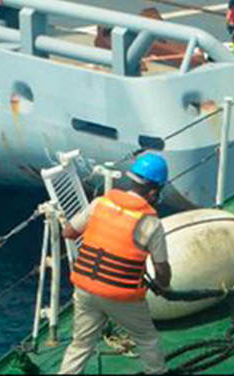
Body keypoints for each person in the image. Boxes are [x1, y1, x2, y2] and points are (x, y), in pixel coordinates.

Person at [58, 154, 172, 375]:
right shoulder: (151, 223)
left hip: (85, 289)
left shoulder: (100, 204)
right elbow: (161, 268)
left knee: (81, 343)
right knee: (146, 338)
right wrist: (163, 287)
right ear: (153, 192)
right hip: (120, 296)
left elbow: (69, 232)